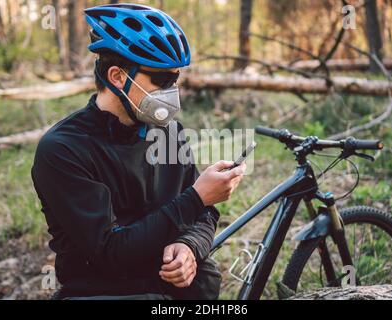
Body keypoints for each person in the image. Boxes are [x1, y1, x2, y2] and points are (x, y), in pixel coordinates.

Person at [31, 3, 246, 300]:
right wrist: (196, 197)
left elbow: (203, 212)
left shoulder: (169, 131)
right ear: (118, 76)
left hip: (172, 291)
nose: (173, 90)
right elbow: (111, 252)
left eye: (176, 79)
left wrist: (190, 246)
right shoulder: (63, 149)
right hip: (104, 293)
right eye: (162, 80)